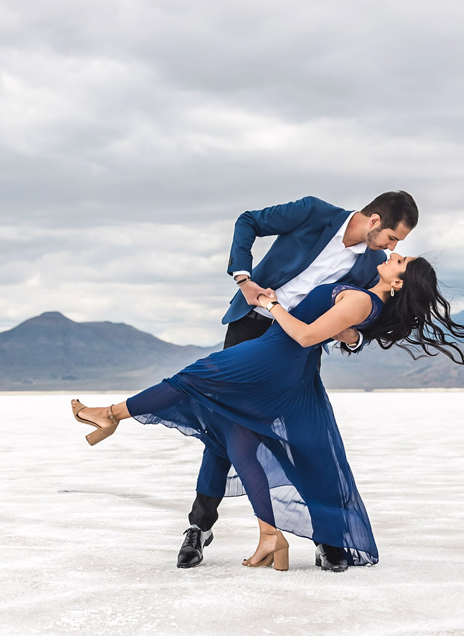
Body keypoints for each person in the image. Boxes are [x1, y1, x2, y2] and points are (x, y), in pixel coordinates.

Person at [71, 254, 464, 571]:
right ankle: (274, 537)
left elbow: (309, 334)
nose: (395, 254)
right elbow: (344, 330)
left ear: (399, 283)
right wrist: (348, 333)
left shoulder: (364, 300)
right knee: (243, 440)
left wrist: (274, 306)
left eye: (401, 260)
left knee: (193, 379)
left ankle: (109, 413)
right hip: (286, 363)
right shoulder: (369, 298)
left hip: (274, 356)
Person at [176, 191, 417, 571]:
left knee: (305, 439)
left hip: (299, 350)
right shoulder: (313, 213)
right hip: (250, 328)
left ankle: (327, 537)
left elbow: (371, 317)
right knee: (227, 430)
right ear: (374, 221)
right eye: (393, 238)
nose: (393, 248)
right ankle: (198, 527)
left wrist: (353, 338)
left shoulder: (374, 267)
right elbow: (248, 220)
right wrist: (244, 279)